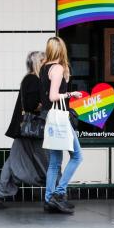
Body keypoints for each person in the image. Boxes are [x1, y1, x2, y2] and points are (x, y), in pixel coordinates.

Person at [0, 51, 49, 209]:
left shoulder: (29, 79)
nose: (46, 62)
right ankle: (54, 192)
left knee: (13, 160)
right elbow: (30, 105)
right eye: (43, 60)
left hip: (24, 129)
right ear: (37, 63)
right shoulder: (33, 79)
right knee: (46, 161)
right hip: (31, 130)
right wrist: (46, 105)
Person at [40, 37, 83, 214]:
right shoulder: (57, 68)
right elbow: (53, 96)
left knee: (54, 162)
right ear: (61, 50)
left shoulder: (44, 68)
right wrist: (71, 93)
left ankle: (49, 199)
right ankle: (59, 193)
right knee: (77, 156)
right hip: (60, 119)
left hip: (50, 118)